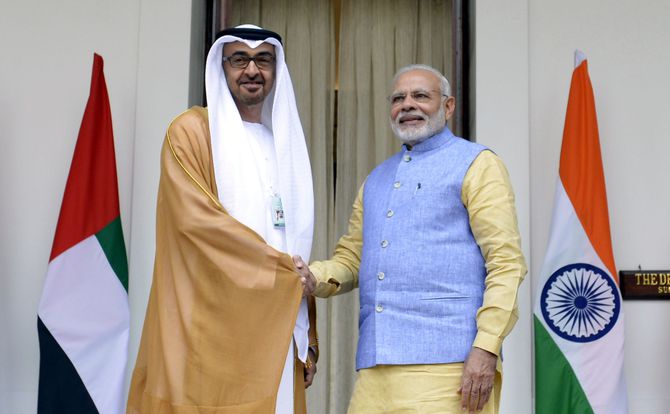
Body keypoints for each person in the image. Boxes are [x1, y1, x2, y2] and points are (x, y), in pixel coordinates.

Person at [295, 64, 526, 414]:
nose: (408, 104)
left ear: (448, 107)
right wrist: (311, 277)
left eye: (421, 96)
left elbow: (506, 263)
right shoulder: (377, 179)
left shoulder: (477, 164)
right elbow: (351, 260)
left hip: (449, 366)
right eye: (398, 98)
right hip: (374, 371)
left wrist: (487, 347)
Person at [127, 25, 318, 414]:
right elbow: (195, 222)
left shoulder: (281, 141)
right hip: (211, 321)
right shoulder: (192, 131)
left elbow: (293, 244)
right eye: (239, 59)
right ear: (221, 67)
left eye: (263, 59)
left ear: (276, 69)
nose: (252, 70)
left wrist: (308, 332)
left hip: (276, 318)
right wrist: (277, 269)